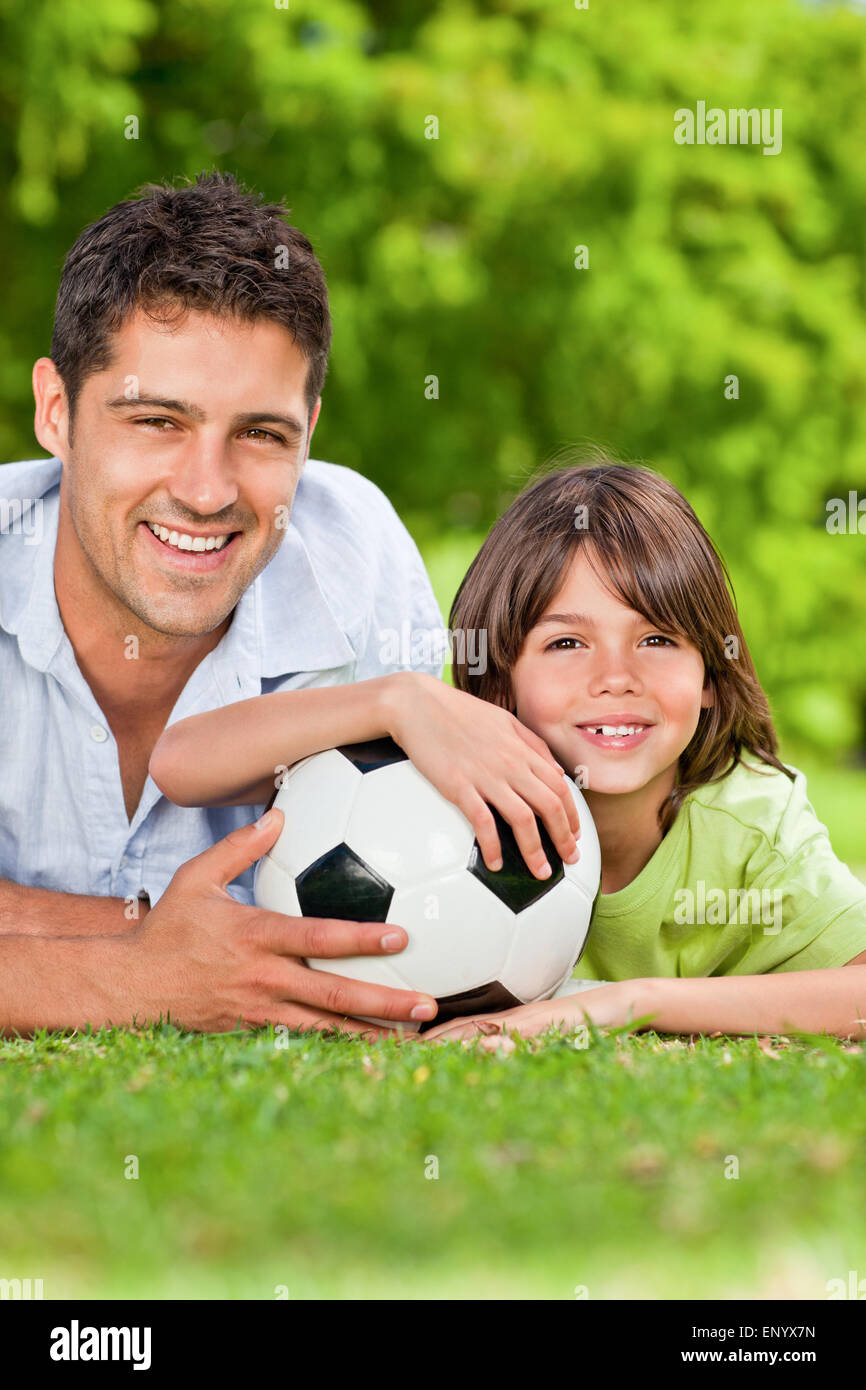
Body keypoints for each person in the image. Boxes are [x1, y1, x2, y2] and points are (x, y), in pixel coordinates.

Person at [153, 458, 866, 1043]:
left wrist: (627, 1004)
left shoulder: (749, 822)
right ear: (501, 681)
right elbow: (182, 764)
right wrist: (392, 700)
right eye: (566, 643)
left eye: (656, 640)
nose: (616, 678)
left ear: (709, 677)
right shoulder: (436, 777)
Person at [0, 169, 474, 1038]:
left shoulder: (357, 559)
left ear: (309, 434)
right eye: (157, 422)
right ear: (56, 412)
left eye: (260, 434)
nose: (207, 491)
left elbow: (410, 918)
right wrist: (140, 966)